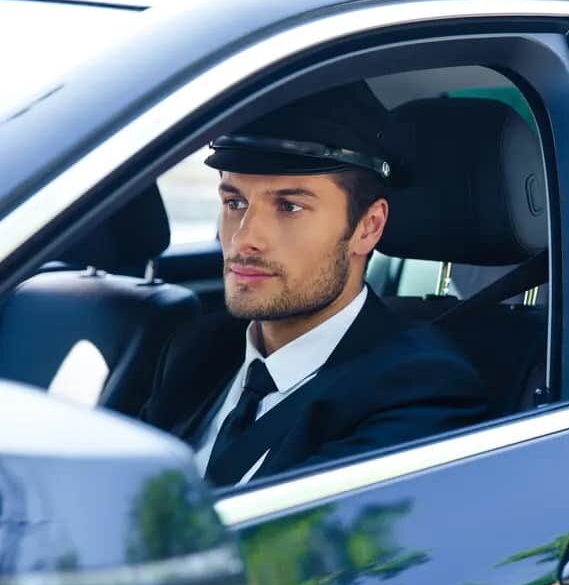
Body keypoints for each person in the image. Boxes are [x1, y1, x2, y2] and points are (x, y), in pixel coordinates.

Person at [142, 82, 488, 486]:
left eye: (289, 207)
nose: (243, 238)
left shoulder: (422, 389)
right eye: (235, 203)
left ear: (367, 227)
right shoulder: (197, 350)